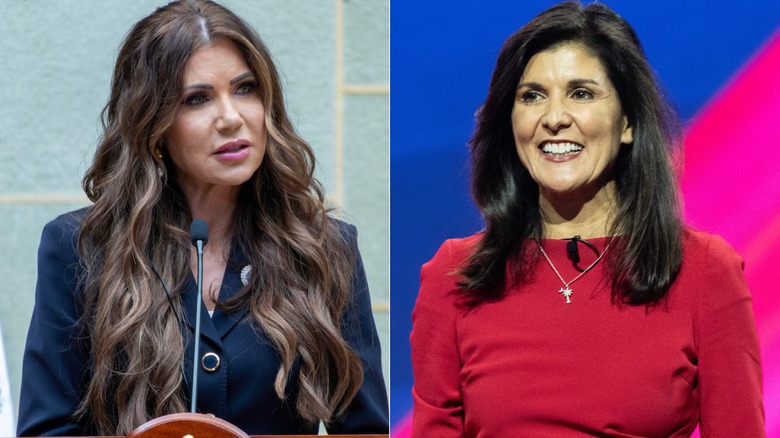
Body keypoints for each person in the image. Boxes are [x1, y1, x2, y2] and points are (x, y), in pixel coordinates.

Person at [17, 0, 388, 436]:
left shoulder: (324, 248)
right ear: (153, 125)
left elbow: (366, 429)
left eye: (245, 89)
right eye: (197, 99)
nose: (231, 118)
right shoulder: (79, 247)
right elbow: (48, 429)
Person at [410, 1, 764, 437]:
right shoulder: (455, 274)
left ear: (628, 122)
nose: (554, 118)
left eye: (581, 93)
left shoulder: (704, 269)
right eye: (532, 96)